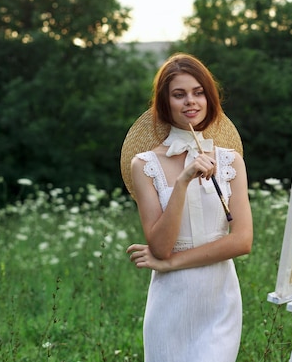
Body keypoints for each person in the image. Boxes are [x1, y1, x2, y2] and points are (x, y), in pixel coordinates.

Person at [124, 53, 253, 361]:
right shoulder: (144, 165)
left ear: (209, 99)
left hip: (219, 298)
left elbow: (242, 241)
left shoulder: (230, 161)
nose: (190, 102)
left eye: (198, 93)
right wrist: (181, 182)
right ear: (165, 102)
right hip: (171, 303)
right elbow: (161, 247)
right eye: (179, 94)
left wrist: (171, 265)